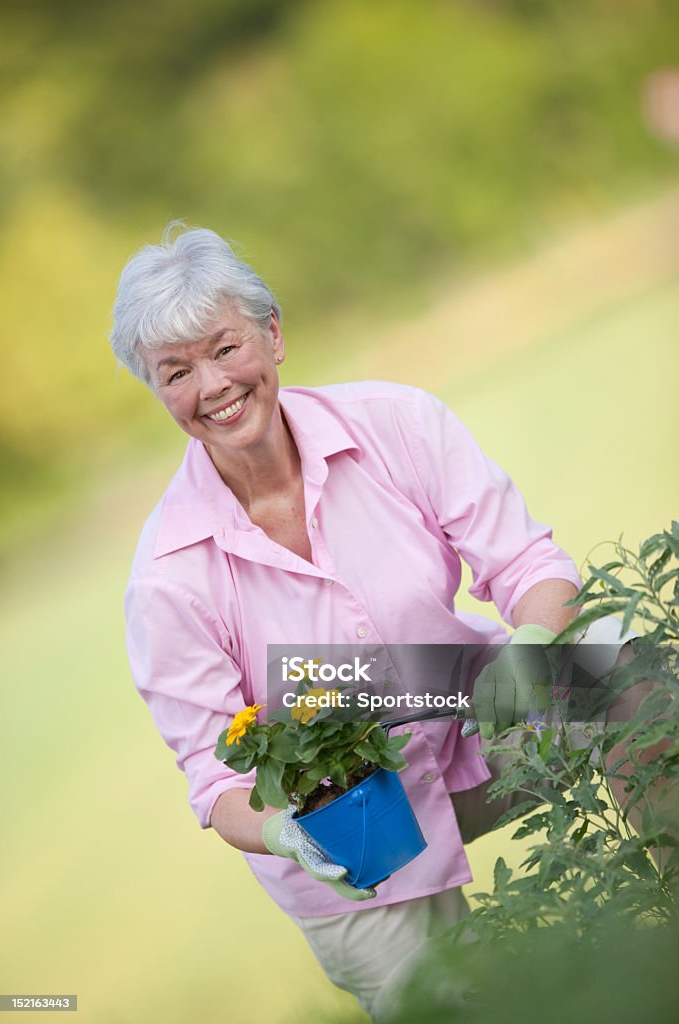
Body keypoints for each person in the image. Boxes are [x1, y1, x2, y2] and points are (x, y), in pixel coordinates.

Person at [110, 224, 634, 1021]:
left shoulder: (398, 424)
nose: (211, 385)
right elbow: (216, 782)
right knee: (451, 1009)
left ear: (274, 334)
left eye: (224, 349)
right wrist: (287, 834)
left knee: (632, 675)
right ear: (159, 393)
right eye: (176, 372)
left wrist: (531, 648)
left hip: (482, 727)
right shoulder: (166, 579)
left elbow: (531, 567)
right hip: (353, 834)